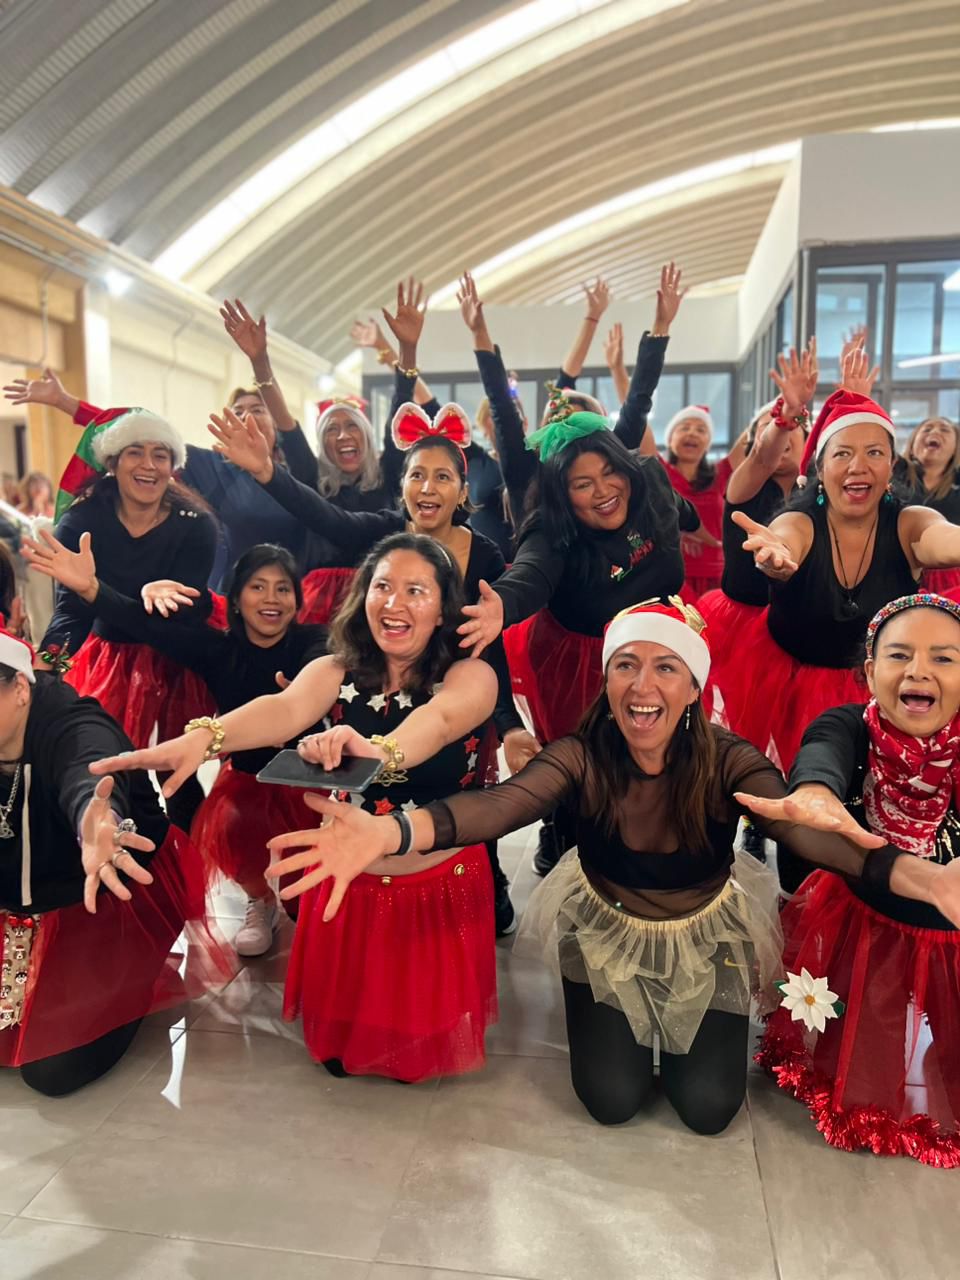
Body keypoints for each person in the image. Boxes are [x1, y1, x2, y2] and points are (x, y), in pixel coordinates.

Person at [263, 598, 894, 1132]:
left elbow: (796, 827)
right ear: (607, 681)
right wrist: (393, 831)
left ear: (695, 687)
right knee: (611, 1102)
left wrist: (911, 874)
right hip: (606, 926)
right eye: (626, 666)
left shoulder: (729, 757)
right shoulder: (581, 753)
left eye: (665, 668)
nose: (643, 686)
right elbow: (501, 805)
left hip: (707, 930)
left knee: (707, 1109)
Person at [93, 533, 500, 1083]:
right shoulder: (335, 670)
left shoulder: (470, 674)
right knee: (341, 1049)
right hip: (343, 882)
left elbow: (444, 720)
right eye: (382, 586)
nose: (394, 604)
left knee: (415, 1053)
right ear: (364, 595)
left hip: (432, 882)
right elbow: (283, 709)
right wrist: (208, 737)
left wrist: (379, 751)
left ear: (444, 608)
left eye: (415, 591)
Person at [207, 394, 522, 932]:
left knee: (461, 795)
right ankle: (369, 888)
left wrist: (509, 722)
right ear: (401, 486)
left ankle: (485, 885)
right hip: (385, 692)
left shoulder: (484, 553)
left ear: (463, 492)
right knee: (376, 788)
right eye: (417, 474)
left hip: (456, 696)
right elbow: (322, 515)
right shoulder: (383, 534)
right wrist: (266, 472)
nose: (428, 487)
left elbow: (485, 644)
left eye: (442, 477)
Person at [22, 534, 328, 958]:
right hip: (245, 778)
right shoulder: (219, 650)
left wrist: (308, 691)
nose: (270, 598)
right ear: (236, 599)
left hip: (308, 777)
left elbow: (336, 661)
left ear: (297, 601)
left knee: (307, 886)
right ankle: (261, 902)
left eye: (282, 588)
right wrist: (90, 589)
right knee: (234, 834)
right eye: (257, 586)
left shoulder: (316, 643)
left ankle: (305, 913)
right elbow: (141, 623)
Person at [738, 593, 960, 1166]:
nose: (918, 671)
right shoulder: (851, 725)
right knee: (867, 1037)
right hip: (863, 918)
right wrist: (813, 788)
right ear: (868, 672)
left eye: (944, 658)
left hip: (952, 934)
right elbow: (823, 750)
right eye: (900, 655)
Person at [456, 395, 700, 874]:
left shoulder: (649, 479)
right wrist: (502, 604)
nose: (604, 491)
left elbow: (679, 509)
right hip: (581, 659)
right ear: (563, 494)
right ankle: (564, 829)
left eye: (611, 474)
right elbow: (529, 573)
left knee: (659, 754)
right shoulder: (549, 530)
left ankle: (649, 844)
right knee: (585, 765)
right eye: (582, 484)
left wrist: (700, 521)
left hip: (658, 642)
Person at [0, 630, 230, 1095]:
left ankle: (134, 983)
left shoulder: (72, 722)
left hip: (102, 894)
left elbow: (90, 768)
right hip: (15, 900)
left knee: (53, 1070)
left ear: (20, 688)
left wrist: (97, 821)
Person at [723, 388, 960, 771]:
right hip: (791, 678)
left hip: (877, 684)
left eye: (874, 453)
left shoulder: (909, 522)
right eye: (843, 454)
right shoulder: (799, 522)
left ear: (892, 466)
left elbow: (942, 538)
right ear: (821, 467)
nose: (858, 466)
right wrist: (777, 559)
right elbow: (785, 538)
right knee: (788, 776)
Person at [3, 344, 319, 588]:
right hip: (221, 604)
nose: (245, 416)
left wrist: (260, 362)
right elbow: (137, 429)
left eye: (257, 410)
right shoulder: (206, 465)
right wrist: (65, 402)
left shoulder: (299, 476)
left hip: (285, 601)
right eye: (237, 410)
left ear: (276, 427)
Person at [457, 265, 684, 529]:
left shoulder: (613, 459)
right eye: (559, 423)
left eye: (580, 424)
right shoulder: (525, 470)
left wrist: (661, 326)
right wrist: (478, 331)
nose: (569, 432)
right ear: (544, 431)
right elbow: (501, 404)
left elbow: (637, 403)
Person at [698, 343, 816, 727]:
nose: (778, 434)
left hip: (798, 622)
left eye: (793, 428)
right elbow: (765, 457)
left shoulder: (818, 493)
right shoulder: (744, 486)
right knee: (738, 723)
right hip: (739, 625)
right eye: (764, 427)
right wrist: (783, 418)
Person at [659, 406, 748, 602]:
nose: (692, 433)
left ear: (708, 443)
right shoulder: (657, 473)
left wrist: (787, 407)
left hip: (717, 578)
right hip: (670, 578)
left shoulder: (722, 473)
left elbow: (756, 433)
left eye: (701, 429)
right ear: (670, 439)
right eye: (684, 427)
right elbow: (636, 418)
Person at [896, 416, 960, 593]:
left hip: (950, 579)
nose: (935, 432)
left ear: (955, 448)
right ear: (913, 443)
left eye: (945, 429)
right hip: (898, 568)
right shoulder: (893, 472)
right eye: (927, 429)